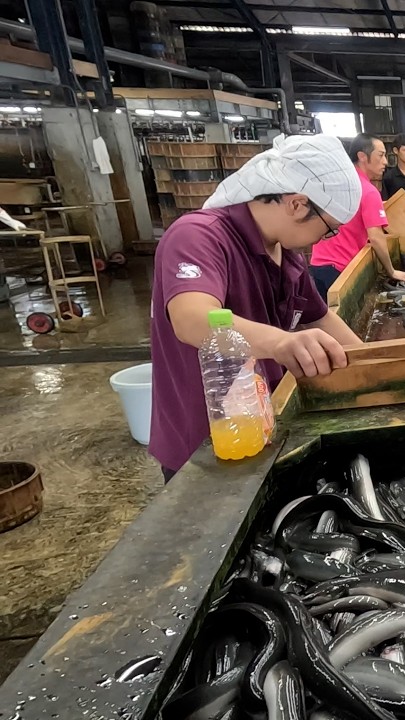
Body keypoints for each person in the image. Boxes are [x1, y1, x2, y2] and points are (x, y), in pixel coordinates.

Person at [149, 134, 365, 480]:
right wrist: (282, 343)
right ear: (297, 204)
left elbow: (319, 318)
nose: (325, 240)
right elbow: (191, 319)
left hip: (265, 424)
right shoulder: (198, 236)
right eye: (328, 231)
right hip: (209, 444)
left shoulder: (286, 256)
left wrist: (375, 366)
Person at [309, 134, 405, 298]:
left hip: (318, 267)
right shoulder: (367, 191)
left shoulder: (336, 184)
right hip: (340, 271)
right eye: (380, 155)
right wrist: (391, 271)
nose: (385, 162)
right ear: (362, 156)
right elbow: (376, 237)